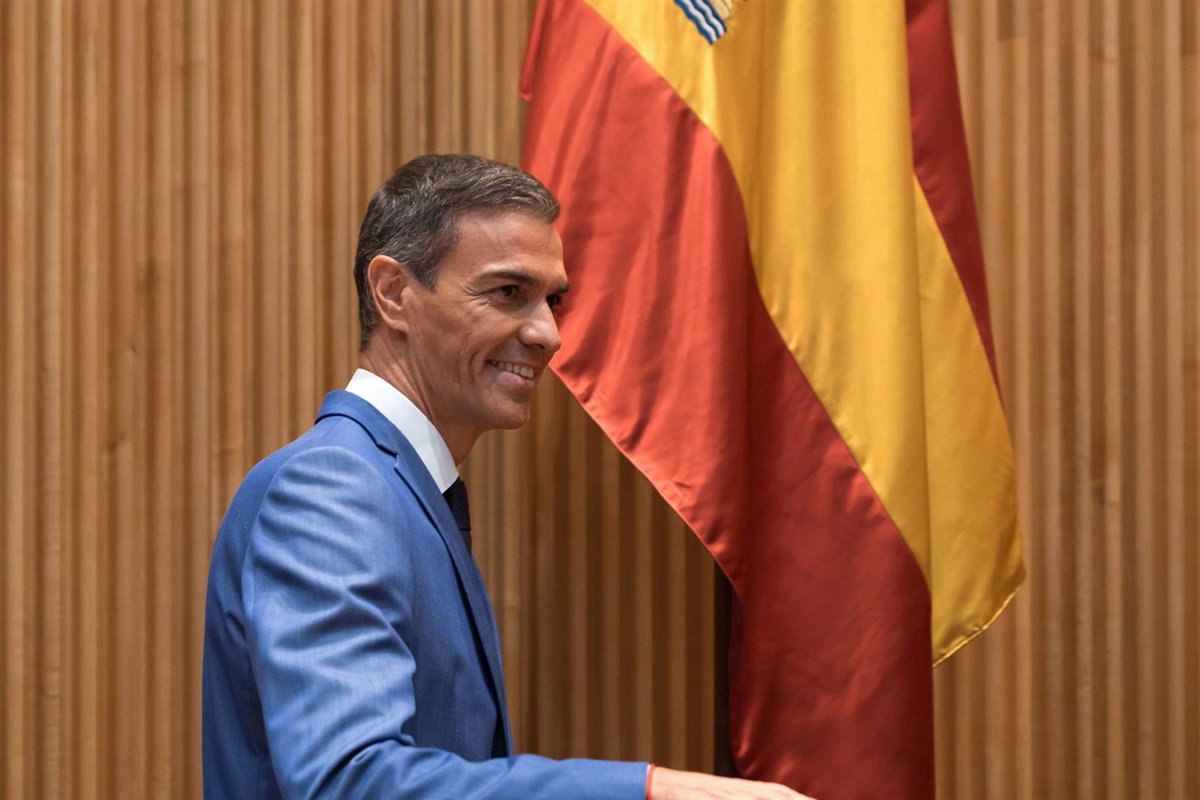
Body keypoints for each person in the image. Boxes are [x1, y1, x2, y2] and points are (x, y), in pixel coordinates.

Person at [202, 154, 812, 799]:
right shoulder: (333, 487)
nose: (548, 334)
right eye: (508, 293)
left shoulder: (403, 490)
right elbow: (351, 782)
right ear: (394, 293)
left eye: (554, 300)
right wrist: (655, 791)